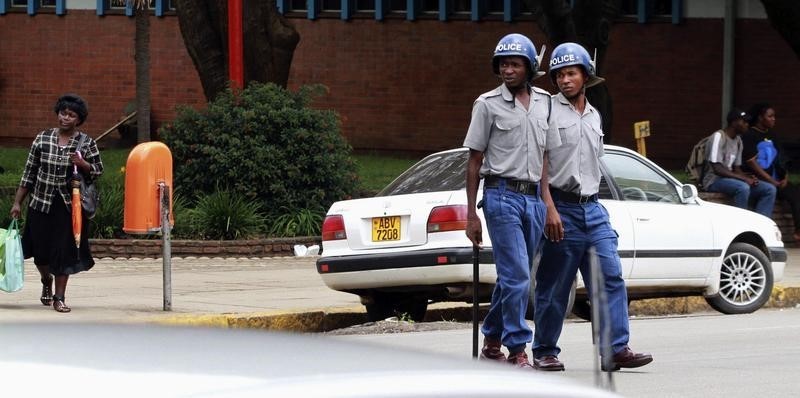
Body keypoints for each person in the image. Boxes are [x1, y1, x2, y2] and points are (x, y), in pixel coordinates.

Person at [532, 42, 652, 372]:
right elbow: (540, 162)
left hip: (594, 209)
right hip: (561, 207)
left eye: (571, 73)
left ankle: (615, 348)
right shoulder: (546, 111)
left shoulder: (594, 114)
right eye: (558, 74)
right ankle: (544, 350)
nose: (564, 80)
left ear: (586, 75)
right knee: (555, 285)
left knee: (610, 278)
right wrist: (549, 207)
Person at [464, 33, 553, 368]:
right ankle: (517, 349)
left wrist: (546, 201)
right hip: (501, 196)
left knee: (512, 278)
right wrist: (470, 214)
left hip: (533, 200)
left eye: (515, 64)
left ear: (530, 68)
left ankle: (490, 340)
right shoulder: (486, 104)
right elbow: (474, 160)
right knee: (519, 277)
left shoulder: (545, 102)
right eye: (503, 64)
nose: (508, 70)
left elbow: (546, 155)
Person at [10, 94, 103, 313]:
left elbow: (98, 170)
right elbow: (29, 172)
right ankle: (46, 280)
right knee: (40, 253)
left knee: (64, 251)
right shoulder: (42, 139)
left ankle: (59, 297)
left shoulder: (86, 143)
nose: (66, 118)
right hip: (40, 204)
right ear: (58, 113)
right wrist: (17, 203)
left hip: (70, 207)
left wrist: (82, 163)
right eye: (63, 113)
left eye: (71, 115)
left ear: (78, 120)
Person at [741, 103, 800, 240]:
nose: (773, 119)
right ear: (761, 118)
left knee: (796, 195)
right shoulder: (750, 135)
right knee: (769, 190)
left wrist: (785, 176)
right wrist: (771, 181)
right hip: (759, 180)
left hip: (777, 181)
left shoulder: (773, 136)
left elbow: (782, 158)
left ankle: (798, 232)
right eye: (770, 116)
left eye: (774, 116)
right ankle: (760, 233)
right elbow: (751, 162)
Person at [703, 109, 776, 218]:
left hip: (730, 179)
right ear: (733, 123)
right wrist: (743, 179)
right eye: (744, 122)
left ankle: (761, 225)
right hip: (713, 180)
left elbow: (736, 168)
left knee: (769, 189)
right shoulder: (718, 136)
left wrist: (748, 177)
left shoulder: (738, 141)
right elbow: (717, 168)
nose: (747, 125)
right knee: (742, 187)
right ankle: (742, 223)